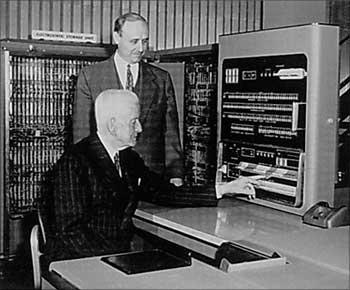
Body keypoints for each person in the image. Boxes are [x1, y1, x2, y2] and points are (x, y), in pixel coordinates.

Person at [42, 89, 257, 263]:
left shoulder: (128, 159)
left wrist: (223, 188)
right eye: (134, 121)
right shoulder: (75, 162)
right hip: (81, 261)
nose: (140, 127)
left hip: (116, 254)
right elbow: (70, 233)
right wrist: (115, 260)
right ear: (112, 125)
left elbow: (165, 192)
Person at [72, 12, 183, 186]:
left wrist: (176, 175)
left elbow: (171, 134)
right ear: (117, 37)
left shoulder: (161, 79)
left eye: (145, 41)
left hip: (151, 180)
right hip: (104, 179)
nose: (141, 48)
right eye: (134, 41)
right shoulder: (90, 76)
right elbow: (81, 134)